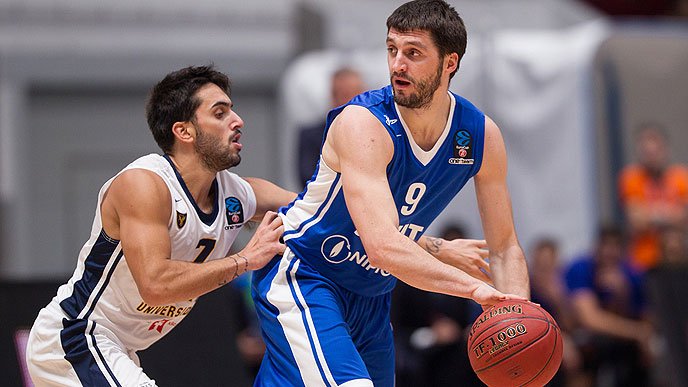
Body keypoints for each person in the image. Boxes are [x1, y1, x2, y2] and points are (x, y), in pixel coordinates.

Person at [251, 1, 531, 386]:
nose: (398, 64)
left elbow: (504, 247)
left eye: (413, 53)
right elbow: (382, 244)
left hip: (372, 295)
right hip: (308, 274)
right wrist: (477, 290)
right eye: (392, 49)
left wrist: (516, 316)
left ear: (450, 62)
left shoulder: (481, 136)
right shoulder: (363, 124)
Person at [24, 65, 294, 386]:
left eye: (232, 110)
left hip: (119, 348)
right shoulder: (144, 184)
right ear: (184, 131)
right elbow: (155, 285)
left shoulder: (237, 194)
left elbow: (314, 208)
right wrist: (246, 260)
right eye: (220, 113)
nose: (237, 121)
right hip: (77, 336)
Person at [564, 225, 652, 387]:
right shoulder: (580, 268)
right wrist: (638, 332)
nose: (609, 252)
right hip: (578, 338)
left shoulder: (631, 273)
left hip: (620, 344)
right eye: (606, 246)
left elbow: (645, 316)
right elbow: (589, 319)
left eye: (615, 247)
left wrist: (622, 294)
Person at [618, 123, 688, 272]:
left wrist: (651, 214)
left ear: (665, 150)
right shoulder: (631, 178)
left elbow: (684, 217)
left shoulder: (681, 177)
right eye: (647, 152)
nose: (652, 156)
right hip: (644, 260)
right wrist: (671, 213)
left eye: (655, 151)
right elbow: (637, 221)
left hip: (678, 258)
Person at [296, 67, 367, 187]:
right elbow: (308, 178)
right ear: (333, 97)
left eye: (357, 95)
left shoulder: (382, 132)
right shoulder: (312, 136)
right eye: (345, 94)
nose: (352, 100)